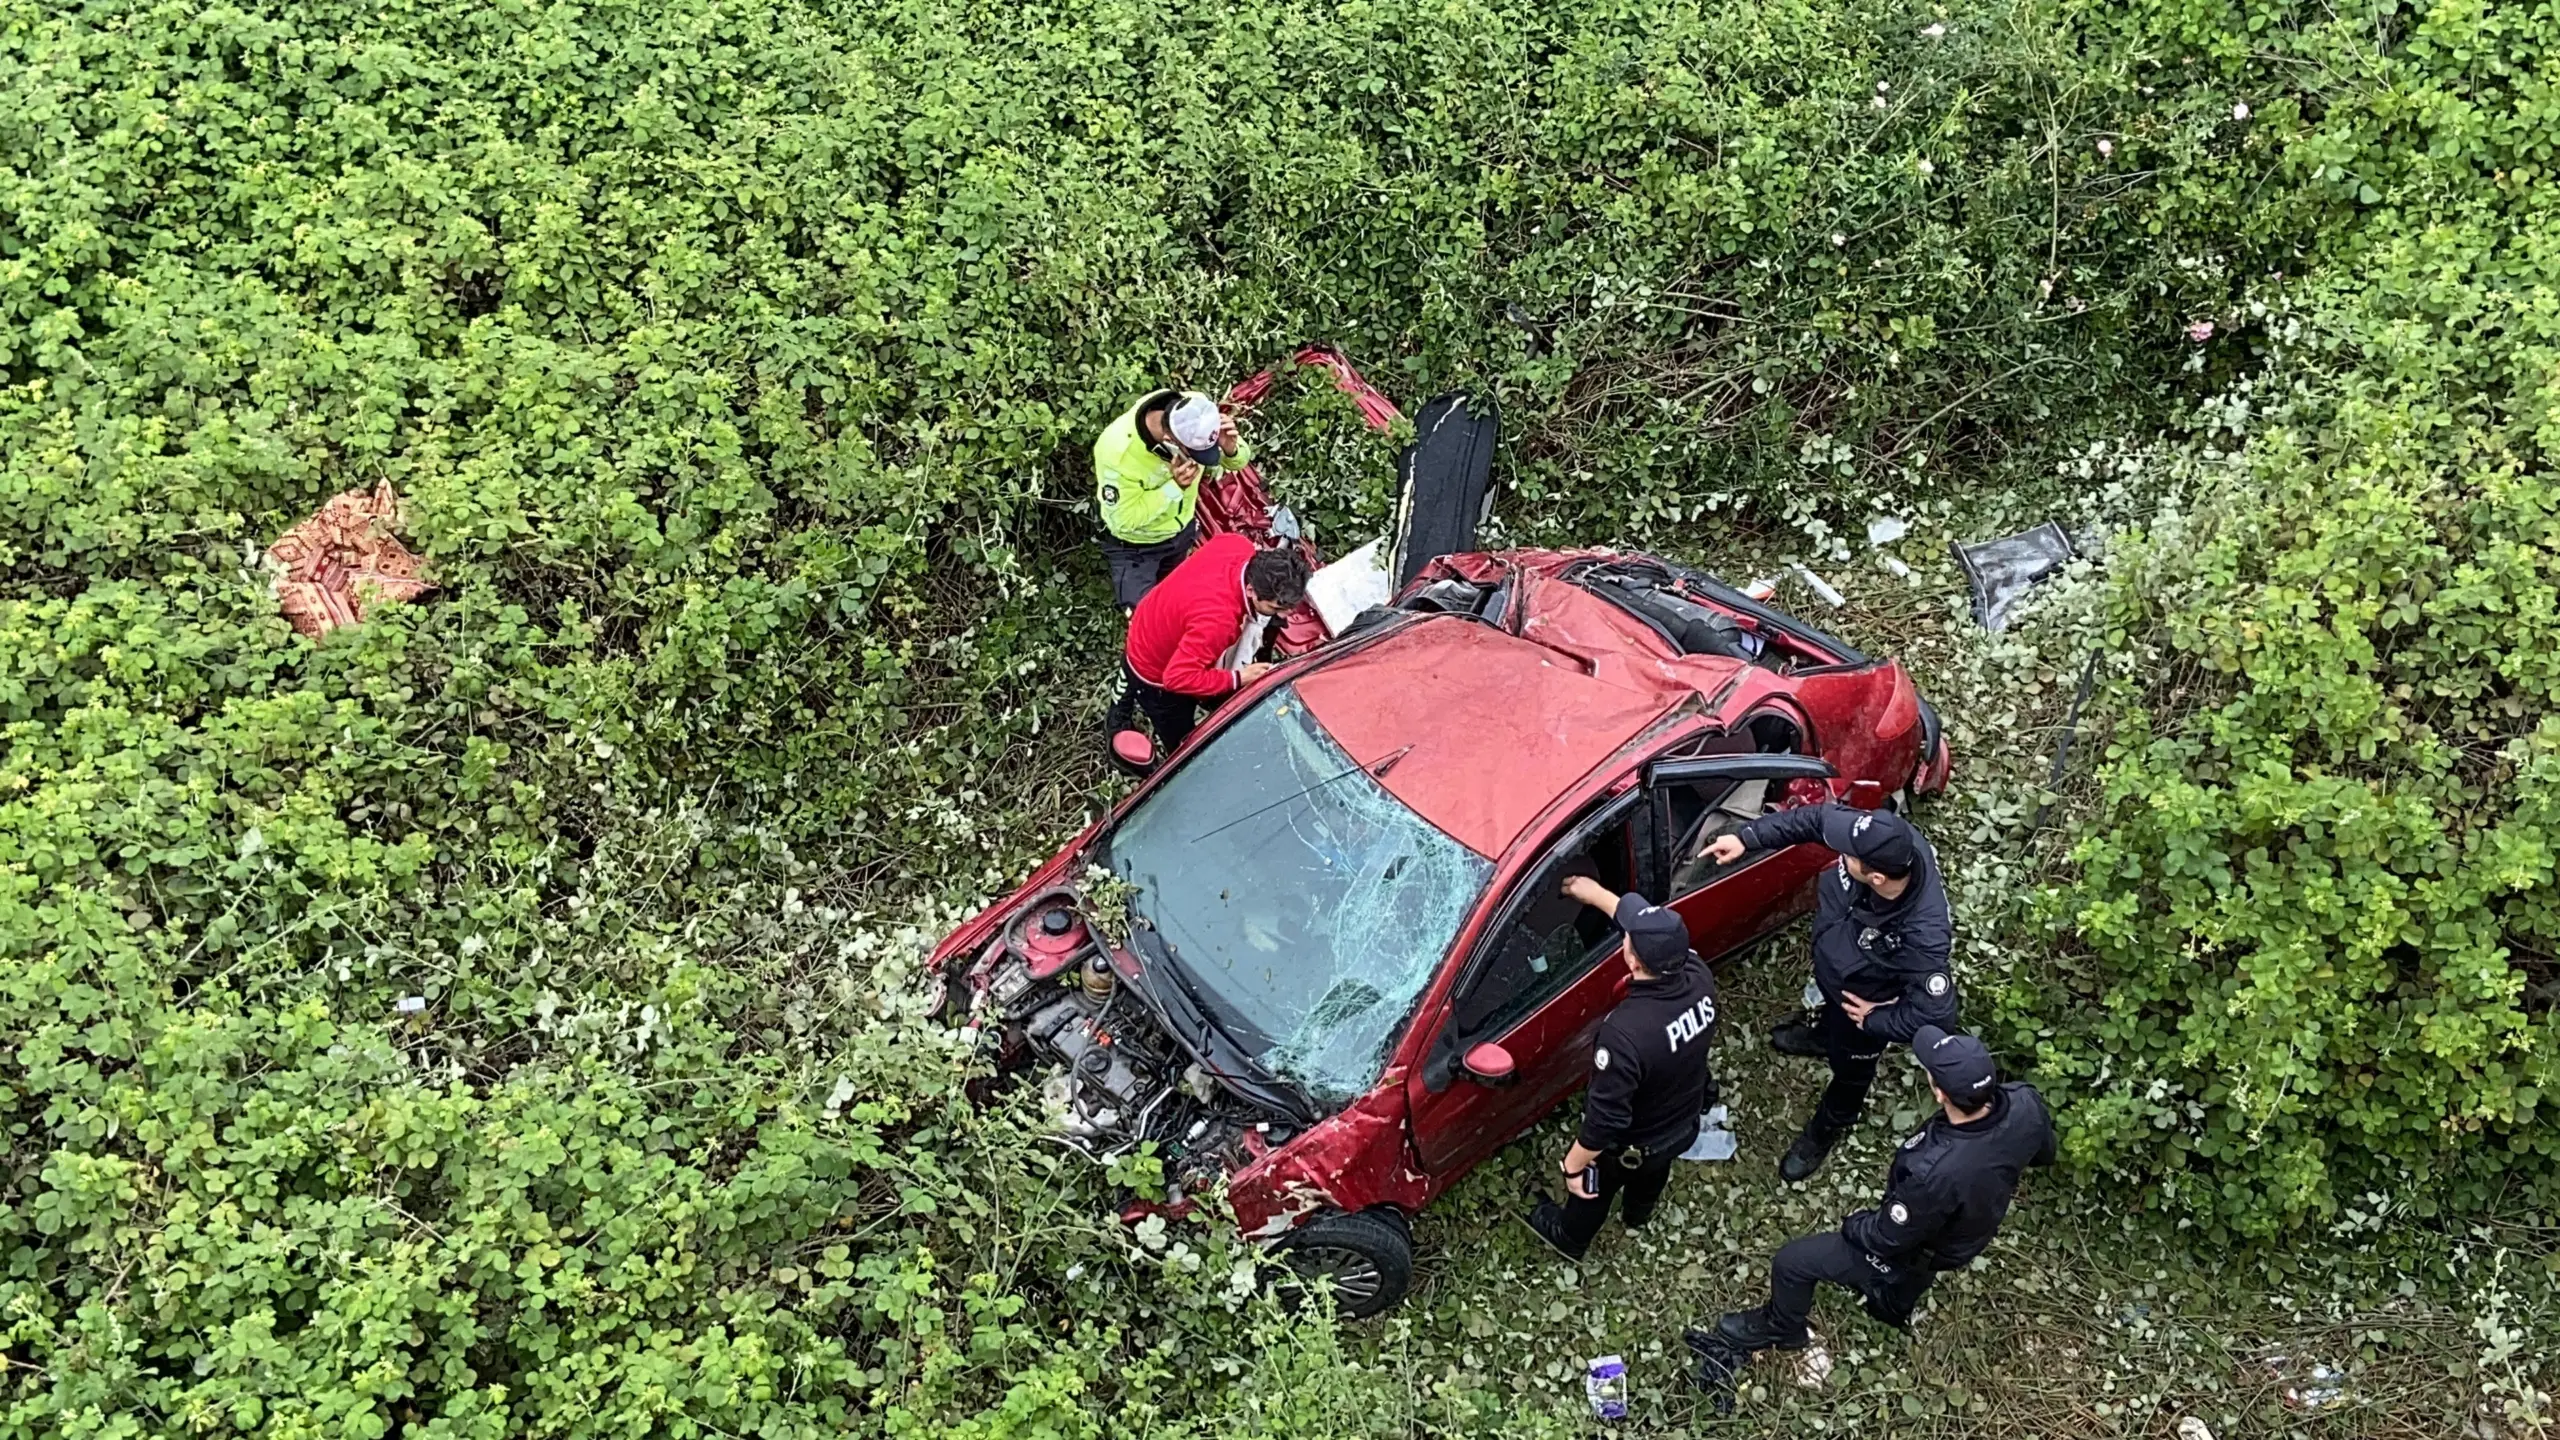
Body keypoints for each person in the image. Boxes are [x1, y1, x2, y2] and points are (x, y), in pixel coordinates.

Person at [1683, 1027, 2055, 1410]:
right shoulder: (2024, 1102)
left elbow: (1887, 1238)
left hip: (1917, 1243)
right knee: (1918, 1272)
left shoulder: (1934, 1170)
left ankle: (1783, 1328)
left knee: (1793, 1262)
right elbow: (2045, 1152)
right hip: (1966, 1235)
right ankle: (1891, 1306)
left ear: (1940, 1092)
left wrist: (1854, 1225)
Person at [1698, 804, 1953, 1181]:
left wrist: (1877, 1018)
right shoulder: (1881, 836)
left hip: (1863, 1005)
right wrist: (1747, 838)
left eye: (1847, 856)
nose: (1840, 853)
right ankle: (1821, 1037)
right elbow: (1815, 820)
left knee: (1851, 1074)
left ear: (1878, 877)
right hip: (1835, 971)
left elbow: (1936, 1011)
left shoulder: (1924, 935)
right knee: (1833, 1022)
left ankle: (1828, 1128)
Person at [1524, 878, 1720, 1261]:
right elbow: (1646, 927)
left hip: (1631, 1144)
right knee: (1653, 1172)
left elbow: (1605, 1120)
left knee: (1594, 1187)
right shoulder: (1698, 976)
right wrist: (1595, 892)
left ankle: (1569, 1238)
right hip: (1681, 1123)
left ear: (1631, 960)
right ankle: (1638, 1212)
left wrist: (1572, 1166)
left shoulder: (1624, 1034)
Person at [1120, 533, 1307, 752]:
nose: (1284, 615)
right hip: (1153, 670)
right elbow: (1176, 678)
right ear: (1250, 590)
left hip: (1149, 619)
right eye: (1276, 608)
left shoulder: (1237, 544)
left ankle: (1120, 707)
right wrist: (1237, 678)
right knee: (1184, 742)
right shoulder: (1219, 623)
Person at [1092, 389, 1253, 610]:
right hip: (1136, 547)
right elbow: (1124, 520)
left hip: (1180, 534)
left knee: (1174, 602)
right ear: (1172, 441)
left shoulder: (1195, 408)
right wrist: (1174, 488)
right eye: (1196, 453)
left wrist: (1231, 449)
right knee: (1146, 619)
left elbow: (1238, 462)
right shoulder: (1117, 453)